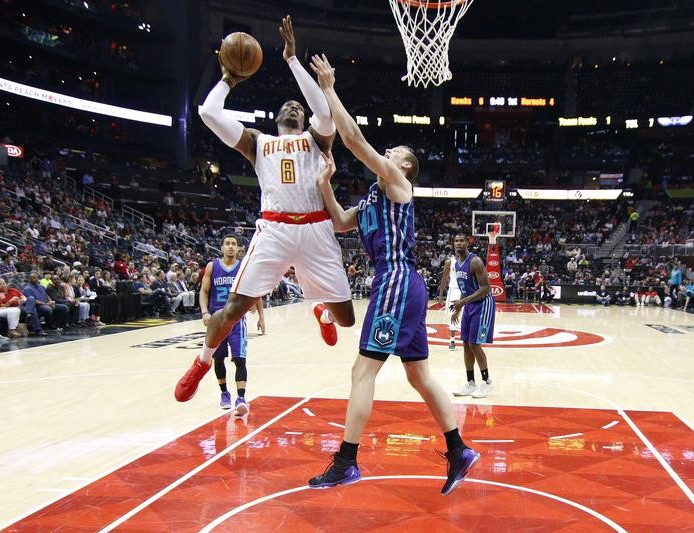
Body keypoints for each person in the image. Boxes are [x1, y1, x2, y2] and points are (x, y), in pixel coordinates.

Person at [306, 54, 478, 495]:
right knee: (419, 375)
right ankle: (459, 450)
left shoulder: (400, 185)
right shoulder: (371, 198)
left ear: (403, 167)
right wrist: (325, 184)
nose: (389, 152)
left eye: (396, 153)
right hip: (405, 286)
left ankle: (346, 461)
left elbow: (355, 139)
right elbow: (343, 222)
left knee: (363, 372)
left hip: (397, 281)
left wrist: (328, 88)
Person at [175, 16, 355, 402]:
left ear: (302, 118)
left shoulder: (317, 140)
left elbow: (325, 112)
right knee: (233, 310)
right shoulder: (257, 142)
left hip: (315, 230)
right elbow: (208, 113)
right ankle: (203, 361)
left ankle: (321, 310)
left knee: (347, 318)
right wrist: (228, 78)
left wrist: (291, 60)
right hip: (273, 230)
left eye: (298, 106)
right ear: (277, 119)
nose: (294, 106)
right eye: (287, 105)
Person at [200, 234, 265, 415]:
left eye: (234, 244)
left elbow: (255, 291)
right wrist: (205, 312)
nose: (230, 247)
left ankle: (241, 397)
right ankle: (224, 394)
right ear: (221, 248)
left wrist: (261, 316)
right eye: (227, 244)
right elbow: (204, 291)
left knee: (240, 358)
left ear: (238, 249)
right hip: (217, 319)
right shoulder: (212, 267)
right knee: (218, 359)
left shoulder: (244, 267)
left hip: (238, 320)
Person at [448, 233, 495, 399]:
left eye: (461, 241)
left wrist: (463, 302)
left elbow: (486, 288)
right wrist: (458, 309)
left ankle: (487, 381)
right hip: (469, 304)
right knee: (466, 344)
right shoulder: (457, 263)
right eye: (456, 241)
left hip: (483, 304)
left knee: (474, 343)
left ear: (467, 243)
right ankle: (470, 382)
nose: (458, 243)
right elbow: (464, 288)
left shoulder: (475, 261)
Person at [437, 253, 462, 350]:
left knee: (467, 315)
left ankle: (469, 340)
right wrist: (440, 295)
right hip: (454, 291)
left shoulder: (470, 261)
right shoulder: (449, 262)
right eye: (456, 242)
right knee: (453, 316)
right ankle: (452, 340)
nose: (459, 245)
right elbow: (444, 278)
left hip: (466, 292)